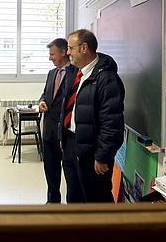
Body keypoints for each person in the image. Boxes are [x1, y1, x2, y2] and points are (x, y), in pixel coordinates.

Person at [60, 29, 125, 203]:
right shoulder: (75, 74)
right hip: (72, 145)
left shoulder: (107, 79)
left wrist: (102, 156)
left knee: (96, 199)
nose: (67, 53)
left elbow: (112, 123)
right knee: (74, 197)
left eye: (70, 48)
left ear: (83, 48)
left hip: (93, 152)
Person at [38, 38, 76, 203]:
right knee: (51, 169)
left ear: (64, 52)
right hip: (49, 130)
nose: (50, 58)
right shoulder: (52, 73)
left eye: (52, 54)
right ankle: (53, 201)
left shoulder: (76, 73)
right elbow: (45, 93)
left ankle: (72, 205)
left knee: (70, 172)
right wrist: (41, 102)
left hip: (67, 133)